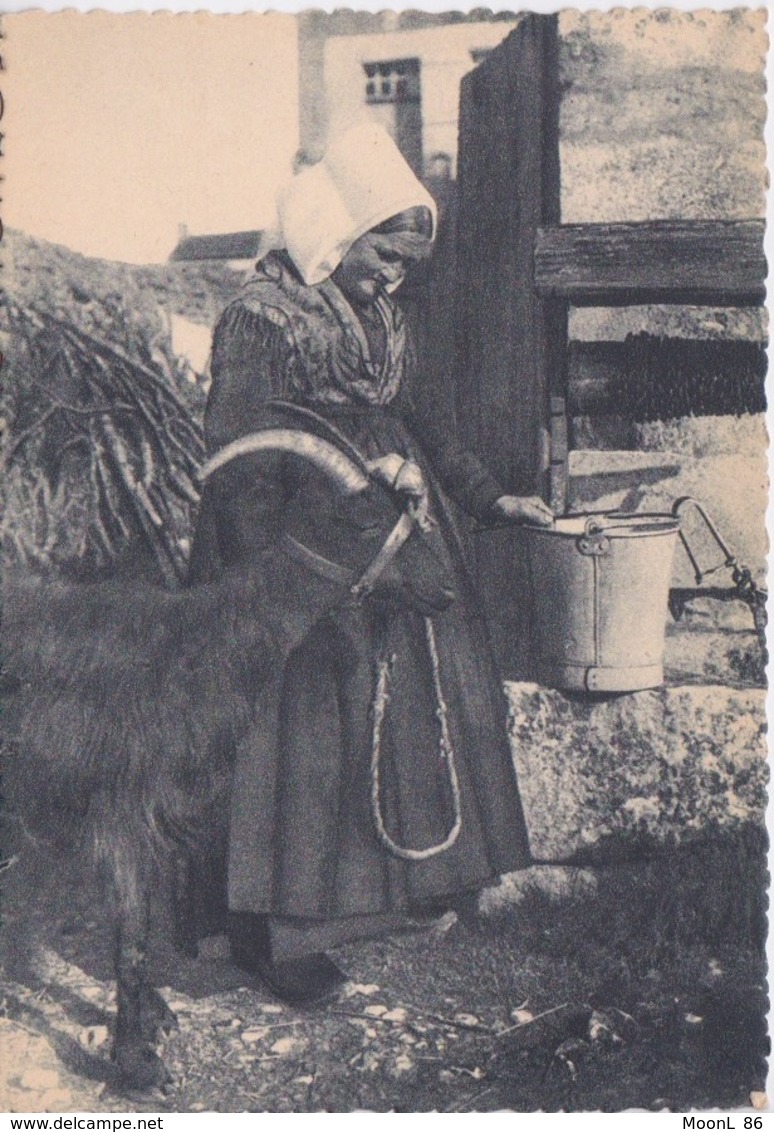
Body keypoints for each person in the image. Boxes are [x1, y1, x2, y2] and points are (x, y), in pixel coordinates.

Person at [188, 123, 554, 1005]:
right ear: (337, 229)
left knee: (397, 707)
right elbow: (238, 457)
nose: (392, 276)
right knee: (298, 729)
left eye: (403, 267)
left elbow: (427, 424)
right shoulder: (260, 316)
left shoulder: (387, 321)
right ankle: (274, 929)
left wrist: (488, 497)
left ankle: (391, 891)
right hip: (294, 540)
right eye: (382, 255)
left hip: (395, 528)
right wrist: (288, 574)